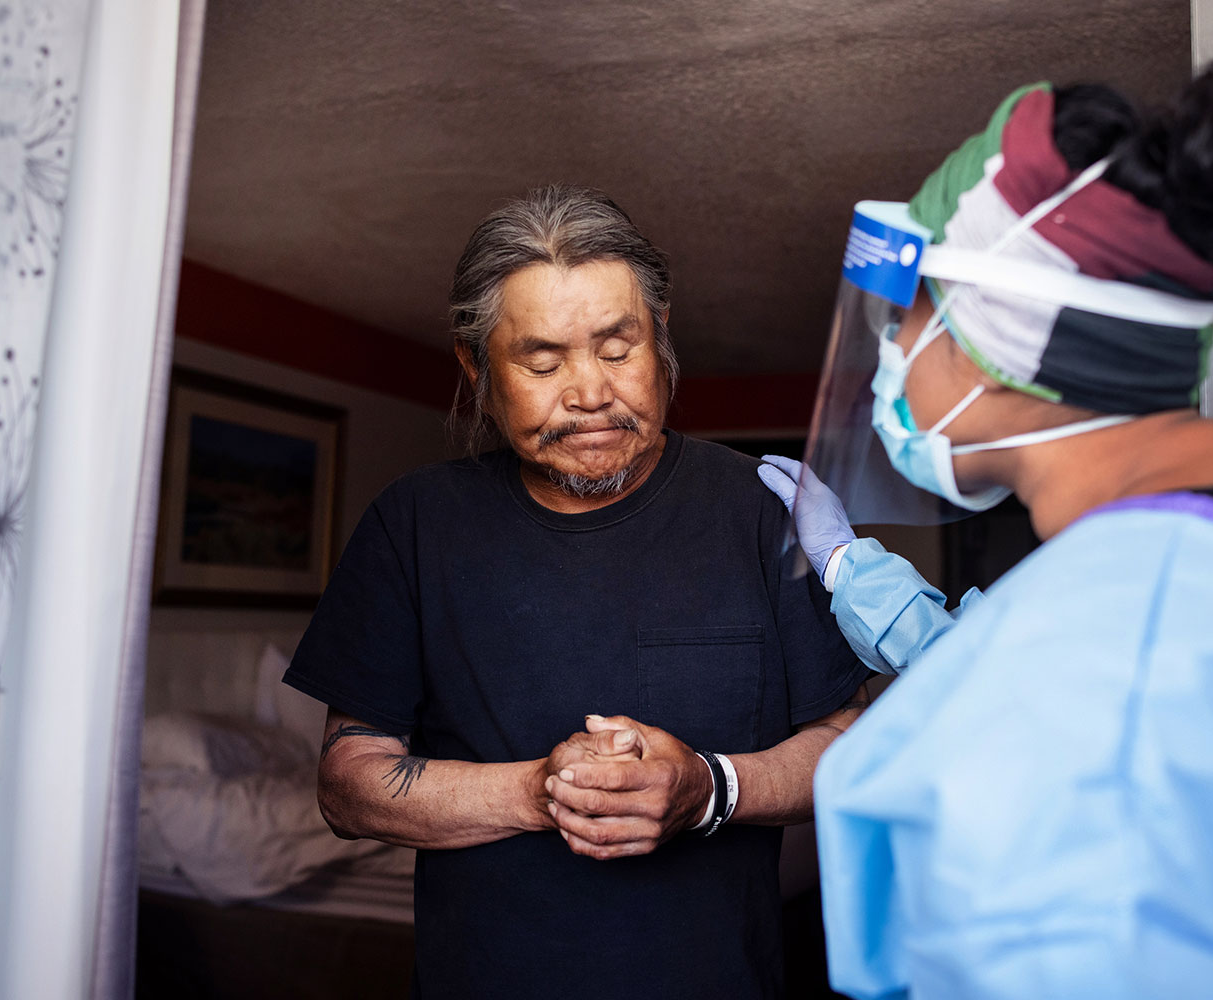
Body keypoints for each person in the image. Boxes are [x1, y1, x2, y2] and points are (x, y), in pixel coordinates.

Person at [758, 57, 1213, 998]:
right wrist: (851, 565)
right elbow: (1012, 674)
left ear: (1002, 340)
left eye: (907, 318)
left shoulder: (1109, 684)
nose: (891, 352)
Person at [282, 185, 869, 999]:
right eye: (544, 361)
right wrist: (541, 791)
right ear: (476, 366)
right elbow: (349, 786)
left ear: (659, 336)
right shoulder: (414, 524)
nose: (589, 391)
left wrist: (708, 789)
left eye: (617, 350)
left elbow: (850, 745)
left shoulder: (762, 511)